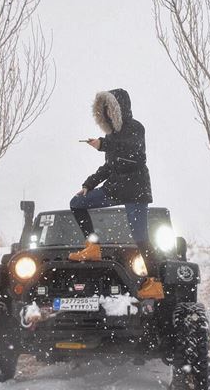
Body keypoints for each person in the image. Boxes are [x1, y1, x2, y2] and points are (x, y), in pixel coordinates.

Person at [69, 88, 164, 300]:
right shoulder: (111, 136)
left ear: (119, 109)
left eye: (111, 110)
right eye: (105, 111)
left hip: (135, 190)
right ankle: (93, 247)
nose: (108, 115)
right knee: (77, 203)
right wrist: (89, 184)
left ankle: (155, 283)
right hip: (115, 188)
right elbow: (108, 167)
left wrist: (103, 144)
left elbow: (132, 151)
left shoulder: (136, 128)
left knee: (141, 238)